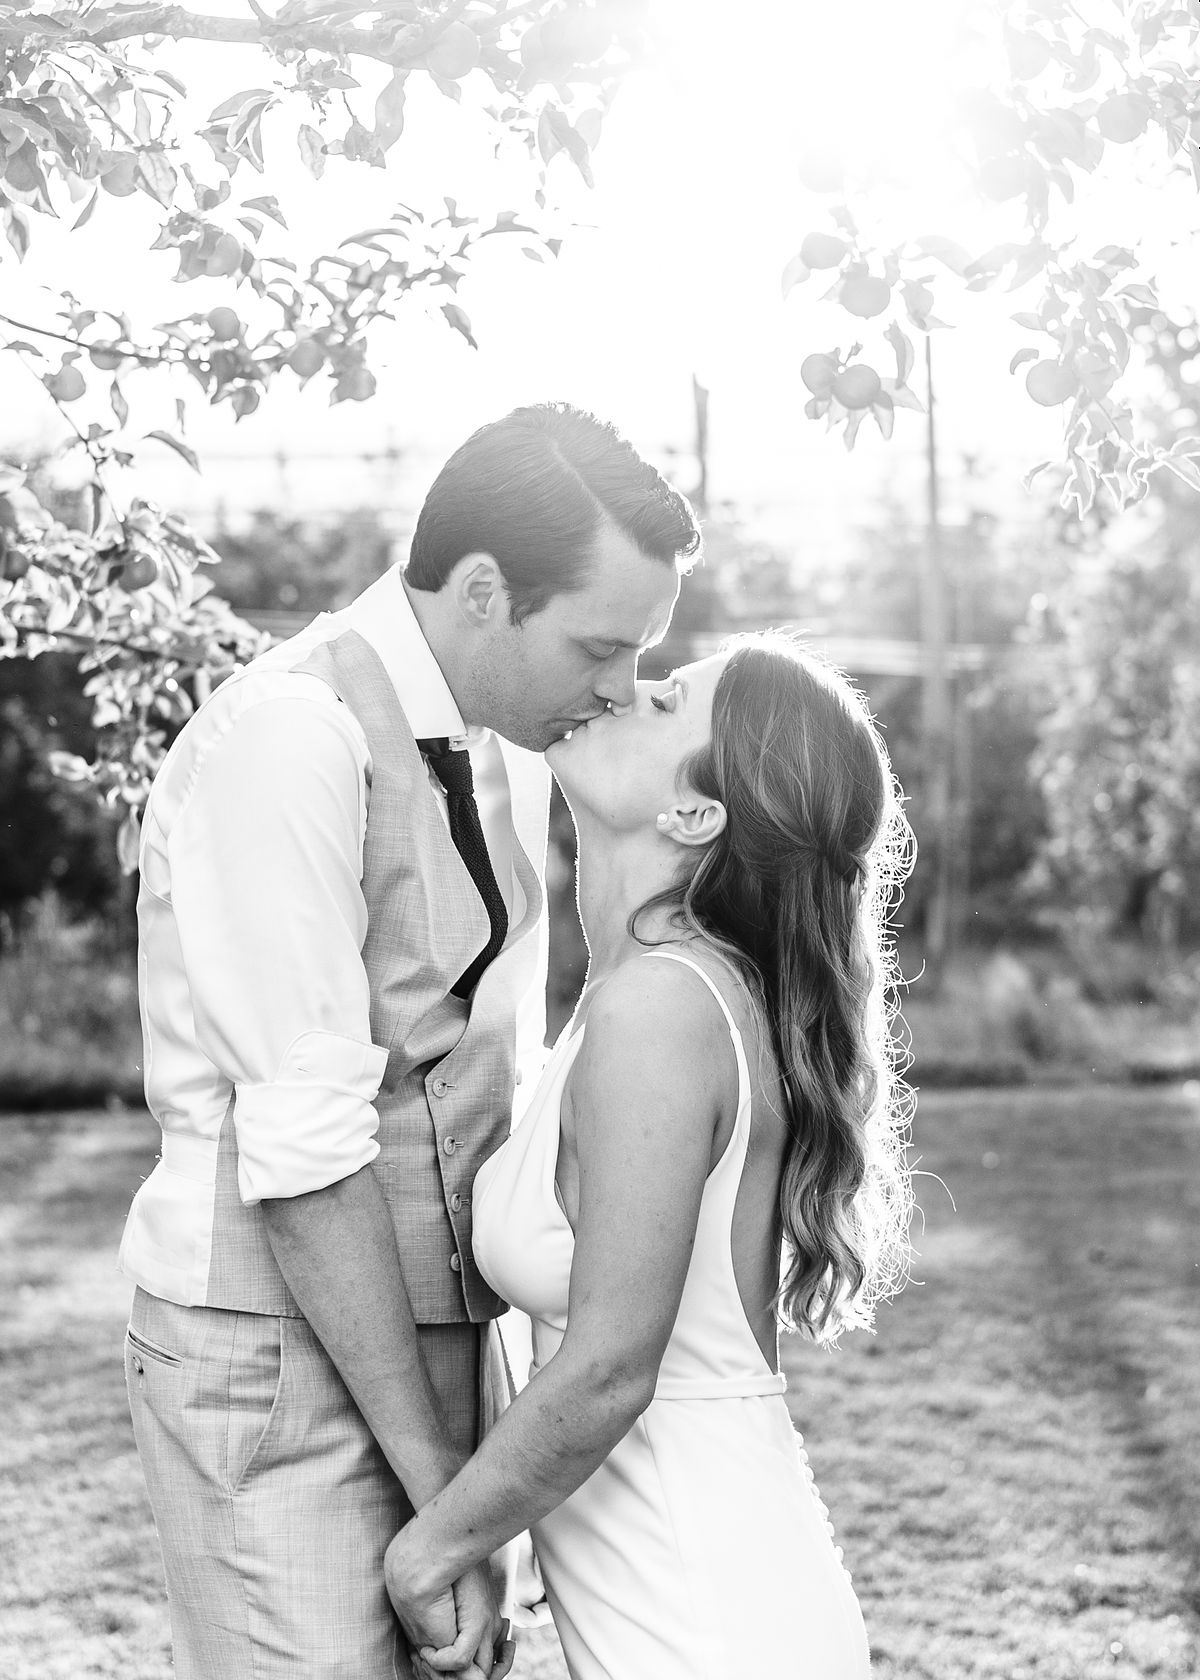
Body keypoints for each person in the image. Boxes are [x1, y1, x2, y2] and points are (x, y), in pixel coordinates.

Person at [117, 402, 700, 1680]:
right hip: (271, 1354)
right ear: (484, 592)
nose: (620, 686)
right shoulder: (290, 737)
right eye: (600, 645)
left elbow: (493, 1066)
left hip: (443, 1343)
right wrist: (450, 1506)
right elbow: (306, 1151)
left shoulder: (518, 752)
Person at [383, 632, 915, 1679]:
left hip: (707, 1614)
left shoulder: (661, 1010)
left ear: (695, 814)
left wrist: (428, 1553)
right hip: (705, 1587)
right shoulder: (648, 995)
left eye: (665, 700)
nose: (624, 691)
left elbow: (610, 1371)